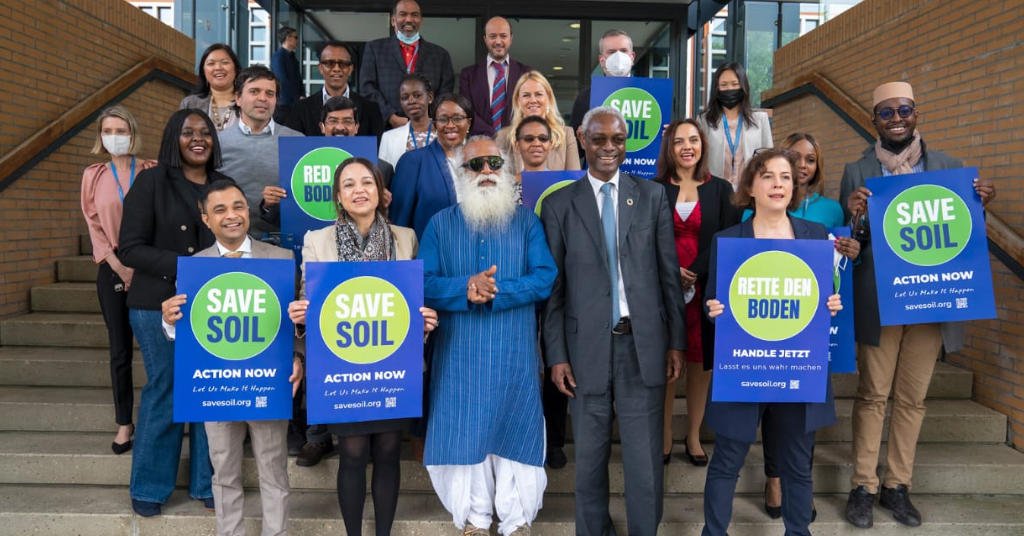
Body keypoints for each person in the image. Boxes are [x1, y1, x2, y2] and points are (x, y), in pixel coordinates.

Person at [841, 81, 996, 529]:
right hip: (880, 301)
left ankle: (897, 486)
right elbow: (852, 243)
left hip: (931, 301)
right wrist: (854, 212)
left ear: (916, 113)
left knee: (912, 398)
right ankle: (863, 486)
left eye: (903, 110)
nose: (896, 119)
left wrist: (980, 205)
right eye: (886, 113)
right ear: (874, 120)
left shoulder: (949, 167)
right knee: (873, 395)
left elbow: (962, 234)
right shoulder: (858, 169)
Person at [540, 106, 686, 536]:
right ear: (582, 140)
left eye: (617, 140)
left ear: (627, 143)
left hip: (641, 347)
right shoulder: (559, 204)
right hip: (584, 351)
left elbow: (667, 274)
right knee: (588, 463)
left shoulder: (653, 196)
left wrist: (675, 342)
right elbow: (554, 288)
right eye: (599, 139)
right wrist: (557, 356)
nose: (608, 148)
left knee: (644, 463)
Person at [286, 157, 438, 536]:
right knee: (352, 454)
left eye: (366, 182)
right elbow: (310, 297)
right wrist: (300, 313)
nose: (359, 190)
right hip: (342, 365)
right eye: (349, 184)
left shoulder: (406, 237)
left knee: (388, 452)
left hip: (392, 364)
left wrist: (425, 322)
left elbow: (411, 299)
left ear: (380, 192)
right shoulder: (316, 240)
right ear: (338, 196)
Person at [419, 136, 556, 536]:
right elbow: (423, 282)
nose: (485, 172)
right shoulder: (440, 224)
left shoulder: (527, 222)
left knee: (515, 427)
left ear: (508, 170)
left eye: (494, 163)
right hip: (458, 351)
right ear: (460, 174)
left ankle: (516, 520)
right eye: (475, 165)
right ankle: (475, 519)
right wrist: (464, 289)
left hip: (512, 350)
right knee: (465, 429)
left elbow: (544, 277)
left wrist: (495, 291)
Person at [701, 148, 842, 536]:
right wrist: (712, 309)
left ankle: (798, 532)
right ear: (750, 186)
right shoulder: (728, 240)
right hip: (744, 363)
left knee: (797, 463)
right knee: (727, 459)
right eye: (767, 176)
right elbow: (711, 300)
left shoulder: (815, 236)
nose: (777, 184)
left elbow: (823, 298)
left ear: (794, 185)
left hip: (798, 364)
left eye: (785, 176)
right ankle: (713, 532)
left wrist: (831, 303)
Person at [159, 180, 303, 536]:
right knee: (223, 472)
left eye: (238, 206)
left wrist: (298, 355)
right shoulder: (193, 268)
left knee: (274, 468)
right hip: (216, 384)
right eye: (220, 210)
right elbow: (187, 334)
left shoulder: (282, 259)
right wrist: (168, 321)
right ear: (205, 219)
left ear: (248, 210)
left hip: (268, 381)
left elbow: (298, 321)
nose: (232, 216)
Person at [118, 108, 232, 517]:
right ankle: (150, 485)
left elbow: (238, 240)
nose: (198, 138)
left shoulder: (225, 184)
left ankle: (207, 482)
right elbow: (129, 248)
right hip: (157, 306)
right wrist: (189, 267)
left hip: (214, 308)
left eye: (205, 132)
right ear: (173, 139)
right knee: (165, 392)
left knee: (207, 396)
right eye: (188, 133)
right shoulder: (151, 183)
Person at [757, 133, 857, 520]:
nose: (802, 165)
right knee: (770, 404)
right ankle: (774, 478)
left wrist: (853, 251)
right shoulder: (757, 207)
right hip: (765, 322)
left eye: (810, 159)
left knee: (806, 406)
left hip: (813, 326)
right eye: (794, 158)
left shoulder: (832, 211)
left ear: (817, 167)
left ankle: (800, 481)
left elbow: (844, 267)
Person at [653, 118, 739, 467]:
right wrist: (672, 271)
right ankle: (663, 434)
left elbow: (729, 236)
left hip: (707, 288)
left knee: (701, 365)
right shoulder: (655, 188)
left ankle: (692, 434)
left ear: (703, 145)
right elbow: (646, 238)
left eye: (693, 140)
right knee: (667, 363)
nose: (686, 146)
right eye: (678, 141)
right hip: (663, 287)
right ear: (670, 148)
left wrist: (696, 272)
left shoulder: (721, 189)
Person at [80, 105, 157, 455]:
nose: (115, 136)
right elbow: (94, 226)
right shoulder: (93, 175)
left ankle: (164, 416)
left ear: (132, 132)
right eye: (108, 130)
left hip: (151, 269)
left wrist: (140, 266)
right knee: (120, 350)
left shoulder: (151, 170)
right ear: (101, 136)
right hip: (111, 267)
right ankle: (125, 422)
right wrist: (119, 266)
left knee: (160, 347)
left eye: (121, 129)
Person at [264, 96, 397, 238]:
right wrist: (269, 205)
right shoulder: (297, 164)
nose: (340, 127)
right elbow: (288, 217)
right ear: (322, 126)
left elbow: (390, 223)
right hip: (311, 250)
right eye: (333, 121)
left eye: (347, 121)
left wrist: (383, 206)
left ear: (356, 127)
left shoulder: (382, 169)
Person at [216, 65, 302, 238]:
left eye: (270, 94)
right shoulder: (218, 142)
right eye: (254, 92)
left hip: (282, 242)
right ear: (238, 98)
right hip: (230, 242)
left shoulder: (297, 141)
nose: (263, 98)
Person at [389, 93, 473, 239]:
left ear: (469, 123)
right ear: (434, 124)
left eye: (458, 118)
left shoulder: (481, 162)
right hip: (430, 255)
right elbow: (399, 223)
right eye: (443, 119)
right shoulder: (413, 161)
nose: (450, 125)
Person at [360, 0, 455, 128]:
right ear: (393, 20)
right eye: (403, 14)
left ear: (421, 21)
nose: (409, 19)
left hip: (429, 129)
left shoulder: (440, 54)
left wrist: (427, 120)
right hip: (386, 128)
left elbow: (445, 93)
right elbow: (367, 88)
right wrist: (390, 117)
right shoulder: (375, 49)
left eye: (415, 15)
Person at [284, 41, 385, 139]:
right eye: (329, 63)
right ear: (320, 68)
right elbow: (293, 149)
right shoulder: (301, 109)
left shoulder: (371, 109)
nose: (336, 69)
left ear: (350, 69)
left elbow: (375, 150)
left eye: (343, 64)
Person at [697, 62, 773, 188]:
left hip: (750, 190)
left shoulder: (759, 119)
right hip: (715, 190)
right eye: (724, 85)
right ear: (716, 88)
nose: (729, 89)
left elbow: (769, 158)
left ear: (743, 86)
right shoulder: (704, 120)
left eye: (735, 84)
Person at [460, 16, 532, 137]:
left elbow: (530, 108)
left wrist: (508, 135)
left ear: (511, 38)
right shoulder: (469, 74)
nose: (498, 41)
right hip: (480, 142)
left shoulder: (526, 73)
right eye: (492, 36)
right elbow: (466, 111)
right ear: (485, 39)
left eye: (503, 36)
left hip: (517, 142)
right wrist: (493, 134)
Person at [496, 71, 580, 173]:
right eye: (526, 95)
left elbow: (573, 180)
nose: (533, 100)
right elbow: (499, 179)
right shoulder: (503, 137)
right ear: (518, 100)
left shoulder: (566, 135)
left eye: (538, 94)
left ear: (548, 98)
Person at [569, 30, 635, 144]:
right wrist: (580, 138)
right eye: (611, 52)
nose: (618, 57)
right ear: (601, 60)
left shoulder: (653, 94)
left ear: (632, 57)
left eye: (624, 51)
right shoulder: (586, 97)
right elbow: (574, 149)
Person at [180, 44, 242, 132]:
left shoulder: (248, 103)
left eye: (225, 62)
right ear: (203, 72)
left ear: (236, 69)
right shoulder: (190, 104)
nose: (218, 68)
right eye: (211, 63)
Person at [378, 73, 436, 166]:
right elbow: (383, 176)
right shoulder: (388, 138)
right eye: (405, 98)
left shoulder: (444, 132)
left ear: (430, 97)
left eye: (417, 95)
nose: (411, 101)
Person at [271, 26, 303, 122]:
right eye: (296, 37)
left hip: (294, 103)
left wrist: (301, 96)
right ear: (288, 38)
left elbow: (298, 80)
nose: (298, 40)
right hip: (284, 103)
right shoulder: (278, 56)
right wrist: (297, 97)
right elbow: (282, 80)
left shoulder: (293, 57)